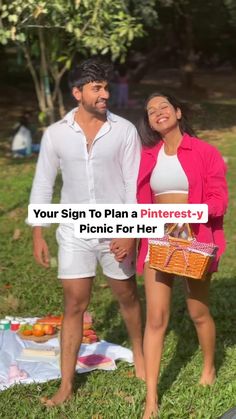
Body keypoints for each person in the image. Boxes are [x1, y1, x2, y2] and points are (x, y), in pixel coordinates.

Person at [29, 58, 145, 406]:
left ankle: (140, 353)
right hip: (74, 231)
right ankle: (66, 385)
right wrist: (38, 233)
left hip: (115, 228)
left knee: (126, 296)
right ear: (77, 92)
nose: (105, 94)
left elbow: (132, 185)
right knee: (74, 304)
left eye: (106, 87)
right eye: (97, 88)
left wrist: (129, 231)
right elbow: (43, 183)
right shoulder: (56, 134)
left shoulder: (124, 130)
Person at [136, 92, 228, 418]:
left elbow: (220, 200)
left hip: (192, 239)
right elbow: (139, 203)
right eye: (151, 111)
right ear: (148, 122)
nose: (158, 113)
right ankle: (151, 400)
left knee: (198, 311)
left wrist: (193, 212)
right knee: (156, 318)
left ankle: (208, 366)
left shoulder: (205, 152)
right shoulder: (147, 156)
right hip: (157, 241)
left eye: (164, 107)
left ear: (177, 111)